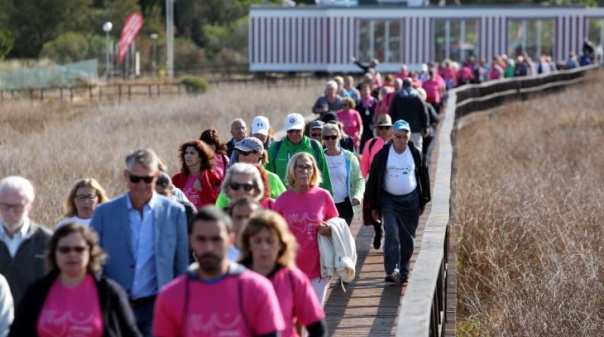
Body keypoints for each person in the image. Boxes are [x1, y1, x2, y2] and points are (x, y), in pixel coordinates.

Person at [91, 149, 189, 337]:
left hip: (157, 307)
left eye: (148, 179)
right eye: (136, 179)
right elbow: (93, 263)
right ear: (126, 177)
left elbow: (180, 265)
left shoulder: (175, 212)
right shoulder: (104, 213)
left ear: (157, 176)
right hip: (115, 308)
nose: (142, 185)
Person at [152, 206, 285, 337]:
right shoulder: (171, 296)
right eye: (201, 239)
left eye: (216, 239)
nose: (209, 247)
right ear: (190, 241)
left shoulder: (256, 289)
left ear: (230, 240)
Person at [9, 223, 141, 337]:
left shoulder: (108, 292)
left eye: (79, 249)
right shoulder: (36, 292)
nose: (72, 254)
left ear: (90, 252)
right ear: (54, 253)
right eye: (64, 250)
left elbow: (131, 333)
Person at [239, 210, 328, 337]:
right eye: (258, 241)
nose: (264, 247)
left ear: (281, 244)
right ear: (248, 244)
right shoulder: (234, 280)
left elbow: (317, 327)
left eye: (270, 241)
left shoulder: (292, 278)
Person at [366, 120, 431, 284]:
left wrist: (424, 200)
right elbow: (373, 180)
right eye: (398, 136)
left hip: (411, 200)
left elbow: (424, 176)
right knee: (392, 234)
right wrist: (374, 206)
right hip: (389, 200)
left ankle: (403, 270)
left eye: (405, 136)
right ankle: (391, 270)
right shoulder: (383, 155)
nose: (402, 140)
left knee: (408, 238)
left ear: (409, 136)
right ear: (392, 137)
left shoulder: (415, 152)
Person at [274, 153, 338, 305]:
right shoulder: (282, 200)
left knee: (313, 317)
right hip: (290, 268)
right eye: (300, 167)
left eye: (309, 167)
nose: (305, 171)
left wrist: (329, 229)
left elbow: (337, 225)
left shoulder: (323, 196)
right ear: (292, 170)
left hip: (319, 267)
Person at [0, 176, 52, 306]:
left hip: (34, 322)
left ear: (31, 205)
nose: (11, 213)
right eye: (5, 207)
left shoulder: (48, 241)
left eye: (18, 207)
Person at [266, 113, 333, 194]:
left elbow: (324, 175)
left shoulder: (314, 146)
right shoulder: (275, 147)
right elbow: (269, 179)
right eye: (290, 131)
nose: (294, 134)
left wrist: (328, 199)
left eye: (298, 131)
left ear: (304, 128)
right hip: (284, 201)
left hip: (310, 200)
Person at [360, 114, 393, 249]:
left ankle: (389, 238)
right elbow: (364, 164)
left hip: (390, 182)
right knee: (373, 209)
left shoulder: (395, 142)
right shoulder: (371, 144)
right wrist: (361, 182)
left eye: (386, 127)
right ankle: (378, 230)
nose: (384, 130)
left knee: (389, 212)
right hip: (374, 183)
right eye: (381, 127)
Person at [218, 137, 286, 203]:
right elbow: (220, 207)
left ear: (259, 154)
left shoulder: (273, 178)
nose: (241, 156)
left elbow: (285, 205)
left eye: (245, 153)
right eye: (239, 152)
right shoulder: (232, 177)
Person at [322, 123, 364, 226]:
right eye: (327, 137)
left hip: (345, 206)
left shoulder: (350, 157)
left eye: (333, 137)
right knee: (327, 238)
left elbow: (359, 179)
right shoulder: (319, 158)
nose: (330, 140)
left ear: (339, 137)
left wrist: (357, 196)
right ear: (322, 139)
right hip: (324, 206)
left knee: (341, 238)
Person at [172, 140, 222, 209]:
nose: (188, 156)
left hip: (205, 218)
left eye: (192, 153)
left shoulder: (213, 178)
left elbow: (218, 205)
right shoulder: (177, 179)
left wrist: (203, 190)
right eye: (186, 153)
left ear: (201, 157)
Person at [388, 78, 429, 153]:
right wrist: (425, 126)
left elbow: (391, 113)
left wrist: (391, 127)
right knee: (417, 152)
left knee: (401, 152)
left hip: (400, 131)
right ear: (412, 85)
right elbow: (424, 113)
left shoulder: (397, 96)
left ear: (402, 85)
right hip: (415, 129)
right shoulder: (417, 96)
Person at [227, 197, 262, 261]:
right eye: (239, 217)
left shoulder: (269, 252)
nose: (243, 222)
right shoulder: (220, 254)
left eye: (248, 217)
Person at [356, 83, 379, 152]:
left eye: (366, 90)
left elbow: (377, 113)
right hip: (362, 125)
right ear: (361, 92)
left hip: (372, 125)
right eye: (363, 90)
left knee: (373, 143)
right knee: (362, 145)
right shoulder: (358, 102)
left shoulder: (374, 101)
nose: (365, 92)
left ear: (370, 91)